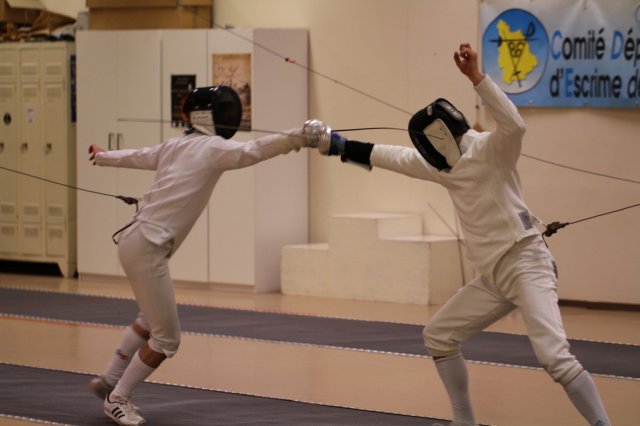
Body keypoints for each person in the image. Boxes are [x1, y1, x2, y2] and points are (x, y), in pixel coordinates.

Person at [311, 43, 611, 426]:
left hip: (526, 263)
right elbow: (391, 156)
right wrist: (336, 144)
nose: (425, 152)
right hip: (493, 277)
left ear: (444, 136)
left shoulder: (492, 150)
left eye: (428, 143)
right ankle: (463, 420)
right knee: (439, 336)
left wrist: (477, 79)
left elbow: (515, 125)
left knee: (554, 357)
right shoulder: (442, 166)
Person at [87, 85, 320, 426]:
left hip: (134, 242)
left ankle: (109, 378)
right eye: (224, 111)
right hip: (147, 247)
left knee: (149, 321)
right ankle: (117, 398)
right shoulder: (212, 148)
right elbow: (255, 149)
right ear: (205, 115)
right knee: (167, 340)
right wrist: (300, 136)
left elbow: (137, 155)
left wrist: (103, 156)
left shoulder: (175, 145)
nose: (230, 117)